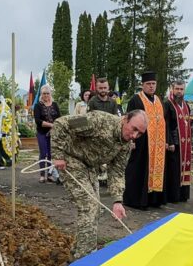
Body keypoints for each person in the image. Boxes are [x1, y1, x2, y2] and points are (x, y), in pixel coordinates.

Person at [51, 110, 147, 257]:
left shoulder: (125, 146)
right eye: (134, 129)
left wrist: (117, 200)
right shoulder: (98, 120)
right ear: (125, 119)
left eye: (140, 134)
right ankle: (84, 260)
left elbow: (117, 172)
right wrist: (57, 155)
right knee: (89, 206)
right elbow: (61, 124)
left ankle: (79, 250)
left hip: (89, 167)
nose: (134, 136)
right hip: (71, 159)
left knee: (95, 210)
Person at [123, 72, 167, 209]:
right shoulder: (135, 100)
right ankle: (135, 200)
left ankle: (153, 199)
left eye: (153, 84)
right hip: (141, 143)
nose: (151, 86)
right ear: (143, 85)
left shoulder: (159, 101)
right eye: (148, 84)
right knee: (138, 170)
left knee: (155, 170)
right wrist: (130, 140)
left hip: (157, 144)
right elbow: (128, 121)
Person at [163, 80, 193, 202]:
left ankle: (183, 194)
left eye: (181, 89)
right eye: (177, 89)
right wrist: (169, 141)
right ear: (172, 89)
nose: (179, 92)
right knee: (173, 169)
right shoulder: (167, 104)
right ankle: (173, 195)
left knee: (183, 167)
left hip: (185, 143)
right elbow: (166, 124)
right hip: (174, 143)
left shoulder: (186, 105)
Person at [33, 84, 61, 183]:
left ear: (50, 94)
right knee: (43, 153)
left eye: (47, 93)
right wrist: (51, 125)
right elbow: (38, 120)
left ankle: (49, 174)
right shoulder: (38, 106)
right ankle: (42, 175)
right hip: (42, 132)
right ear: (41, 94)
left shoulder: (55, 104)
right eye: (44, 93)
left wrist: (56, 126)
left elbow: (59, 118)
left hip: (53, 134)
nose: (45, 95)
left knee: (51, 154)